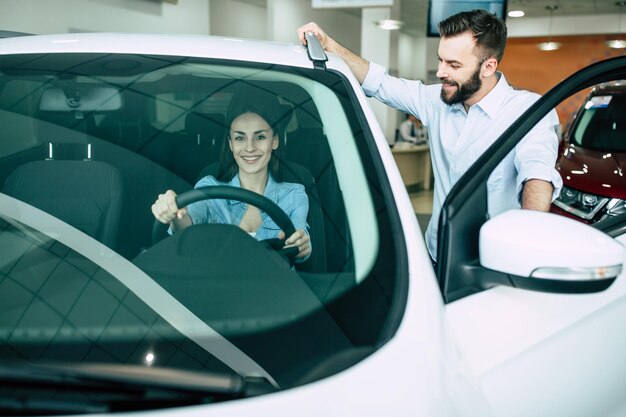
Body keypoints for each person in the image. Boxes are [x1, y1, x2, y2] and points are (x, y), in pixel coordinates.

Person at [298, 10, 562, 264]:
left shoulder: (529, 111)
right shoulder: (436, 101)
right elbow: (380, 82)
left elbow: (537, 176)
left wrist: (528, 246)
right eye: (440, 60)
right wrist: (330, 45)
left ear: (488, 66)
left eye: (453, 65)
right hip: (437, 253)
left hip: (493, 262)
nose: (440, 72)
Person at [152, 97, 311, 261]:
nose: (250, 148)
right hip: (215, 284)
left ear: (275, 141)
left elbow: (300, 234)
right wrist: (172, 212)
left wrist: (302, 245)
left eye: (260, 137)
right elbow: (187, 222)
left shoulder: (293, 194)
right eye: (240, 138)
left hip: (275, 284)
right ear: (230, 144)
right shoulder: (209, 187)